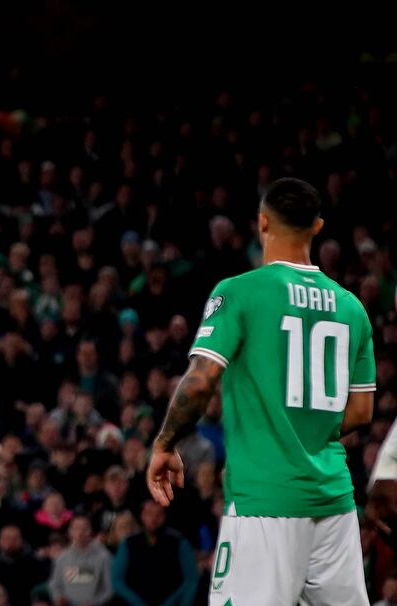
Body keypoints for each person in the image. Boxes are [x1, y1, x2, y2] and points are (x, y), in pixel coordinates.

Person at [147, 178, 376, 605]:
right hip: (334, 505)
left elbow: (199, 383)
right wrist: (305, 434)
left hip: (264, 504)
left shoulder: (240, 292)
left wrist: (165, 442)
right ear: (317, 226)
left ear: (262, 223)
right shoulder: (352, 307)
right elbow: (362, 412)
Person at [111, 500, 197, 606]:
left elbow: (191, 579)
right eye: (149, 513)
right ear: (142, 516)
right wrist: (138, 603)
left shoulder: (179, 542)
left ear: (165, 516)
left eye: (159, 514)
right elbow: (117, 580)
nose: (153, 519)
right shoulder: (129, 544)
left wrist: (173, 602)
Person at [49, 515, 113, 606]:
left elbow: (110, 589)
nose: (80, 532)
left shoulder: (104, 557)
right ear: (70, 532)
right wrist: (58, 597)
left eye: (85, 528)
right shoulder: (62, 558)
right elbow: (55, 585)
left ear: (91, 531)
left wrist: (95, 603)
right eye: (77, 528)